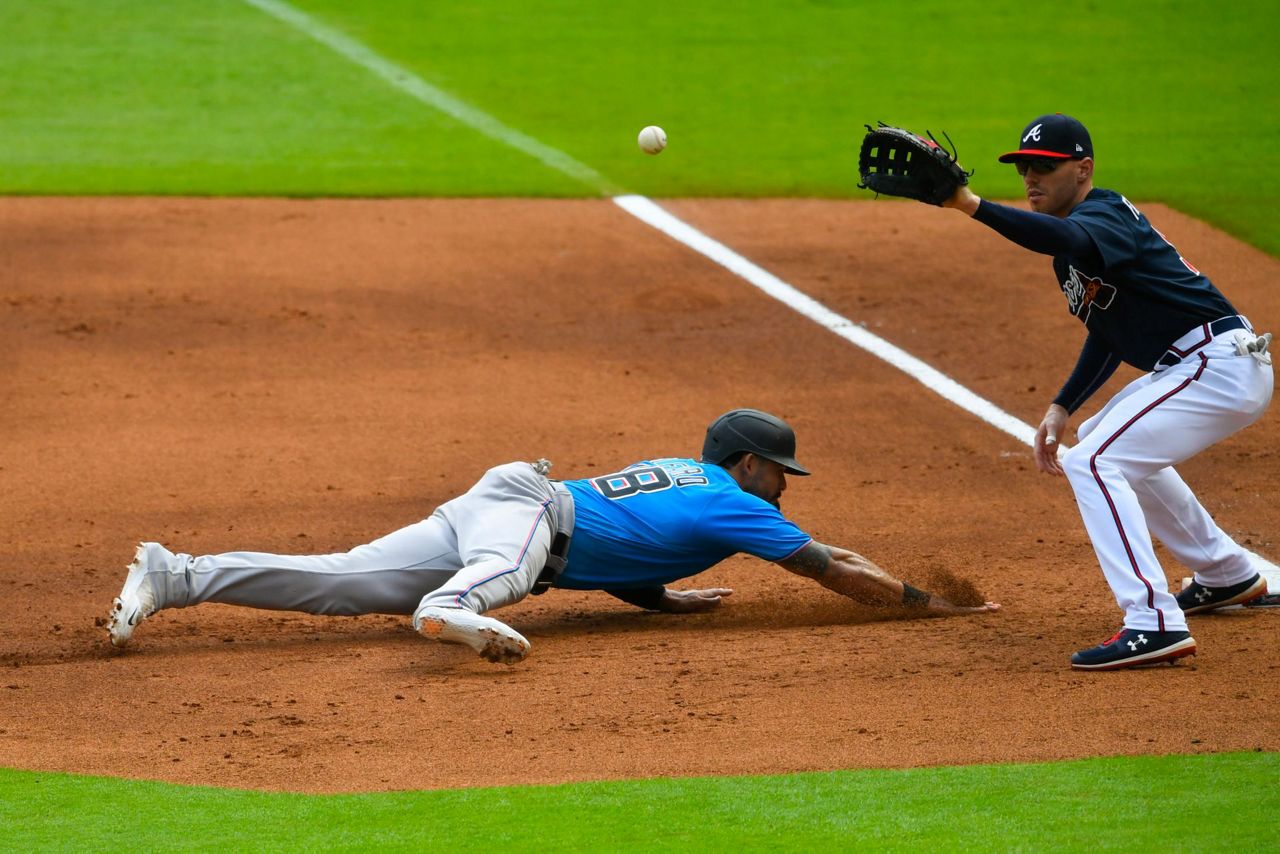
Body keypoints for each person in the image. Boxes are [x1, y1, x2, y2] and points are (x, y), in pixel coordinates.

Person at [107, 408, 999, 663]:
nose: (782, 486)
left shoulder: (685, 477)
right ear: (747, 463)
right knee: (486, 578)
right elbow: (832, 565)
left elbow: (632, 542)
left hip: (514, 506)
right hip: (529, 523)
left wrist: (661, 596)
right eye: (779, 470)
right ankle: (455, 608)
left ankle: (176, 573)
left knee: (343, 581)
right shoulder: (736, 503)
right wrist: (928, 606)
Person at [941, 113, 1273, 670]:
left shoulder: (1105, 214)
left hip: (1215, 363)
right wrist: (1064, 404)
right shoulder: (1070, 250)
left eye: (1046, 168)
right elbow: (1108, 330)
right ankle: (1225, 574)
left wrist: (971, 205)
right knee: (1099, 442)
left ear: (1084, 169)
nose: (1031, 179)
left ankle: (1153, 622)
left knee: (1094, 462)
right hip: (1199, 365)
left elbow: (1066, 235)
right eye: (1025, 167)